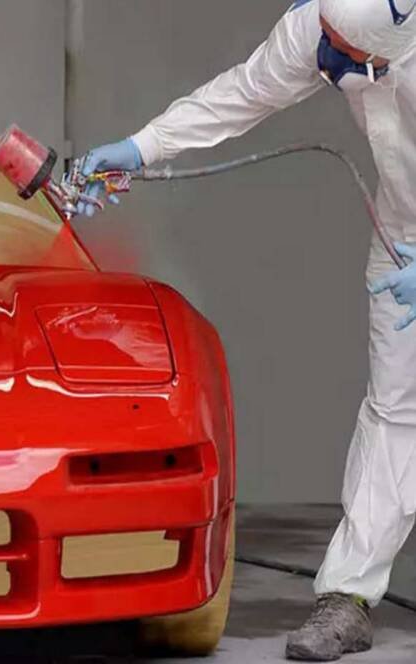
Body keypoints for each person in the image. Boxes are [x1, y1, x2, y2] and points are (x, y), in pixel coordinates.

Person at [81, 0, 416, 660]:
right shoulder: (321, 27)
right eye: (333, 44)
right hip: (403, 232)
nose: (339, 63)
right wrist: (143, 147)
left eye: (360, 60)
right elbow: (241, 94)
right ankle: (347, 597)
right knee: (396, 409)